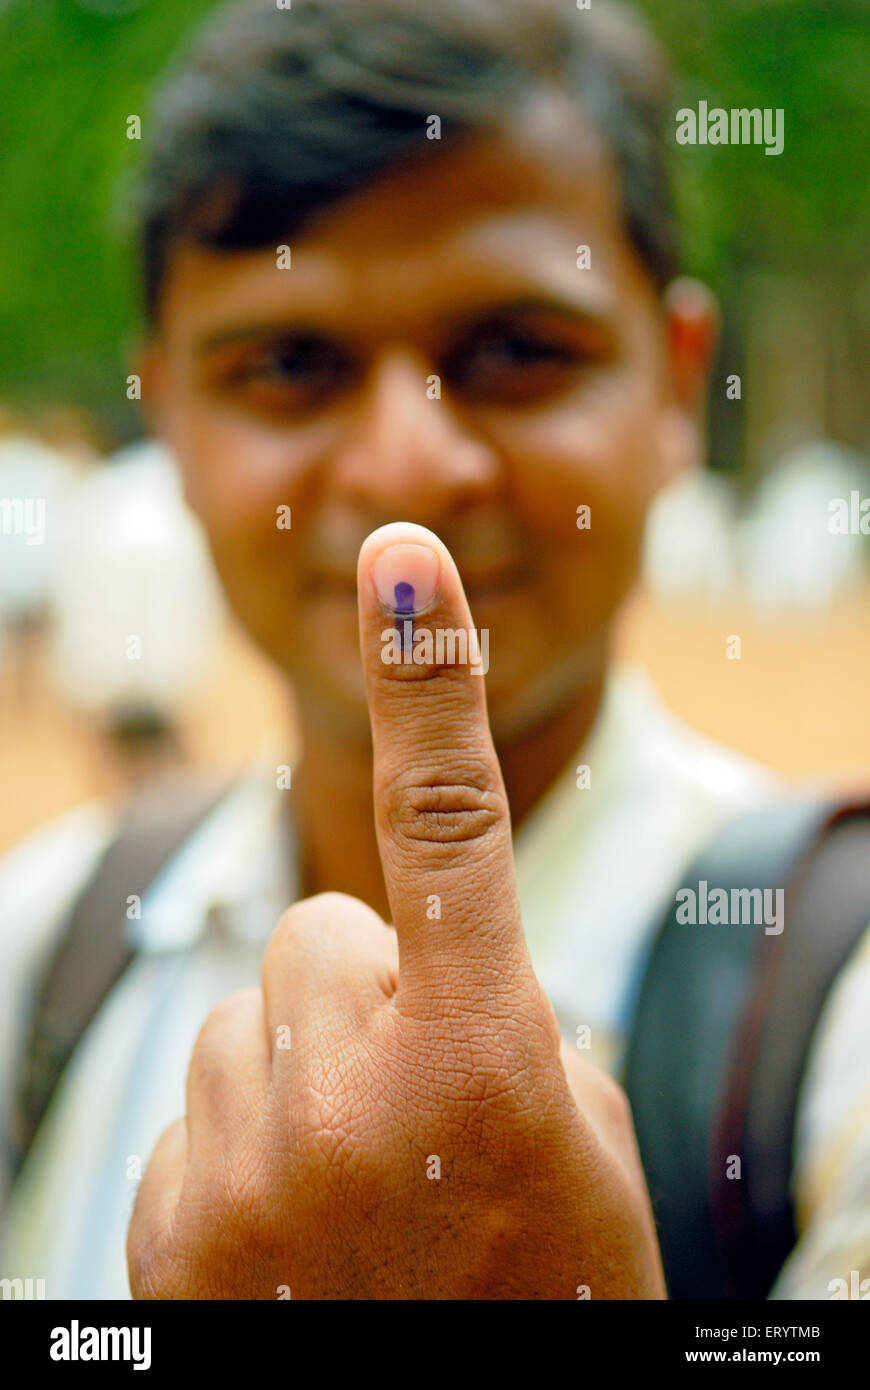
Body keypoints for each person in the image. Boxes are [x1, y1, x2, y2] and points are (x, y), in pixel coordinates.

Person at [3, 0, 865, 1299]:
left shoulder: (838, 1017)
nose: (406, 470)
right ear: (167, 415)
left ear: (677, 384)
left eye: (517, 352)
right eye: (289, 364)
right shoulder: (42, 954)